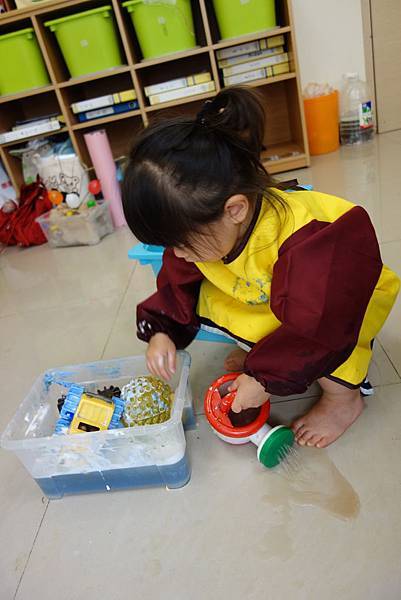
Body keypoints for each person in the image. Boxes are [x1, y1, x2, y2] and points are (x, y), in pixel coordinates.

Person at [122, 86, 400, 449]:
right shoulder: (212, 228)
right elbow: (178, 279)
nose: (177, 253)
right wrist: (163, 329)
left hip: (339, 305)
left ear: (235, 210)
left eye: (184, 243)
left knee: (317, 335)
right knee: (206, 291)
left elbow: (318, 327)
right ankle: (268, 357)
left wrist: (263, 380)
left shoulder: (308, 241)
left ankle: (343, 400)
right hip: (282, 296)